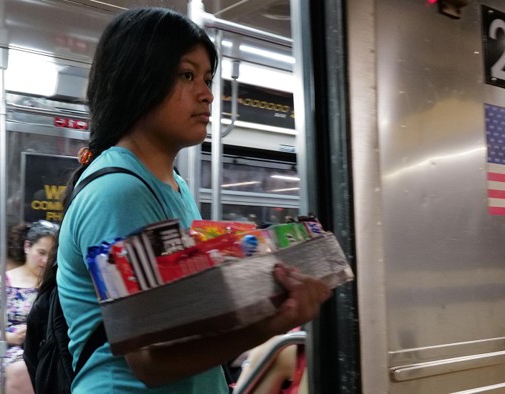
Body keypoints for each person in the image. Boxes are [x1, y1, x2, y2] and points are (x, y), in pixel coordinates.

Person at [55, 7, 332, 393]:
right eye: (187, 76)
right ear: (138, 81)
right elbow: (150, 360)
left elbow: (183, 316)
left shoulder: (175, 187)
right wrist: (273, 324)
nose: (207, 95)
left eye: (206, 78)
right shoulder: (121, 192)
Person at [0, 220, 59, 393]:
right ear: (27, 247)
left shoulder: (55, 283)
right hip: (10, 347)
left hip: (45, 345)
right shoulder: (2, 284)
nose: (45, 261)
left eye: (51, 256)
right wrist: (10, 337)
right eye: (41, 253)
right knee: (22, 369)